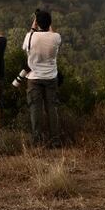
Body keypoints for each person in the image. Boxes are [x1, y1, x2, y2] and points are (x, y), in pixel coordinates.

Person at [23, 10, 62, 148]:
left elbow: (26, 48)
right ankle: (55, 140)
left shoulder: (29, 37)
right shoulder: (56, 37)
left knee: (35, 109)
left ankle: (37, 141)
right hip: (51, 77)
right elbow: (51, 34)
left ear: (37, 23)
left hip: (34, 78)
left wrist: (33, 27)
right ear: (50, 23)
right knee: (52, 109)